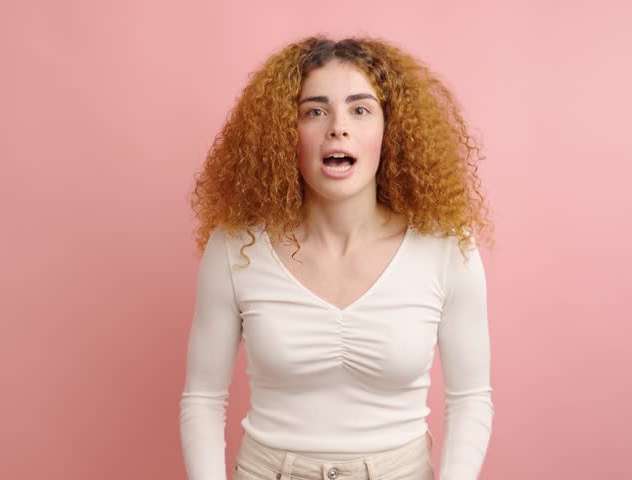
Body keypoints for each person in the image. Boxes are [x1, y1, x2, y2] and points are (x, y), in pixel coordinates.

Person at [180, 35, 495, 480]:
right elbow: (203, 398)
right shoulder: (236, 247)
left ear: (392, 130)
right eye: (315, 111)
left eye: (360, 109)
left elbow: (470, 398)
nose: (337, 127)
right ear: (285, 133)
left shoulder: (446, 247)